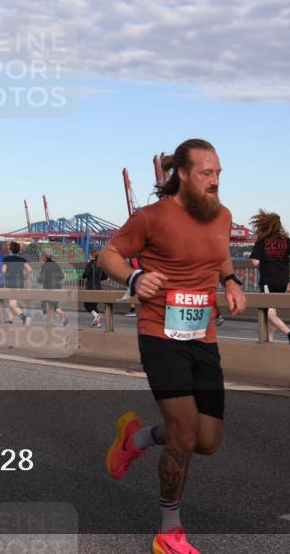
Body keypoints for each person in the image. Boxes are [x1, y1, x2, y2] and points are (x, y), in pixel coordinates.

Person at [98, 139, 246, 554]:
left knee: (208, 440)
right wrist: (132, 278)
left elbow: (220, 256)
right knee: (183, 432)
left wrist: (231, 282)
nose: (215, 181)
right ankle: (169, 532)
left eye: (218, 173)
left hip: (204, 336)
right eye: (206, 173)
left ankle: (136, 439)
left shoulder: (223, 216)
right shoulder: (152, 217)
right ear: (181, 174)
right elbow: (108, 255)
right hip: (159, 334)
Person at [249, 210, 290, 345]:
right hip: (283, 281)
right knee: (272, 311)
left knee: (268, 312)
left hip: (268, 280)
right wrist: (286, 261)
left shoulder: (262, 242)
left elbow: (255, 262)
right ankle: (270, 340)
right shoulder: (286, 240)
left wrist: (265, 260)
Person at [1, 241, 33, 325]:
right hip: (20, 282)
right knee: (13, 302)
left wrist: (5, 276)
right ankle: (10, 320)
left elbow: (3, 271)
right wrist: (25, 277)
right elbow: (30, 270)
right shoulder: (22, 259)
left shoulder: (6, 259)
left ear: (10, 249)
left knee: (12, 303)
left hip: (10, 282)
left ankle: (24, 318)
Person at [39, 249, 69, 326]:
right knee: (54, 305)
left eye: (42, 256)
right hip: (57, 287)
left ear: (44, 257)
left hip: (48, 287)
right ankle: (63, 316)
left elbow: (42, 278)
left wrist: (39, 280)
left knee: (43, 306)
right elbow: (61, 276)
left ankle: (50, 322)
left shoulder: (44, 266)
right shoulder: (55, 264)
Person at [81, 249, 108, 328]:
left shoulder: (90, 264)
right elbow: (105, 276)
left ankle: (97, 315)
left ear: (91, 256)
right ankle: (98, 323)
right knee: (94, 306)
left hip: (90, 288)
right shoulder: (100, 264)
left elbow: (85, 274)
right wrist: (98, 279)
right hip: (98, 288)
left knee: (86, 304)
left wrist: (84, 276)